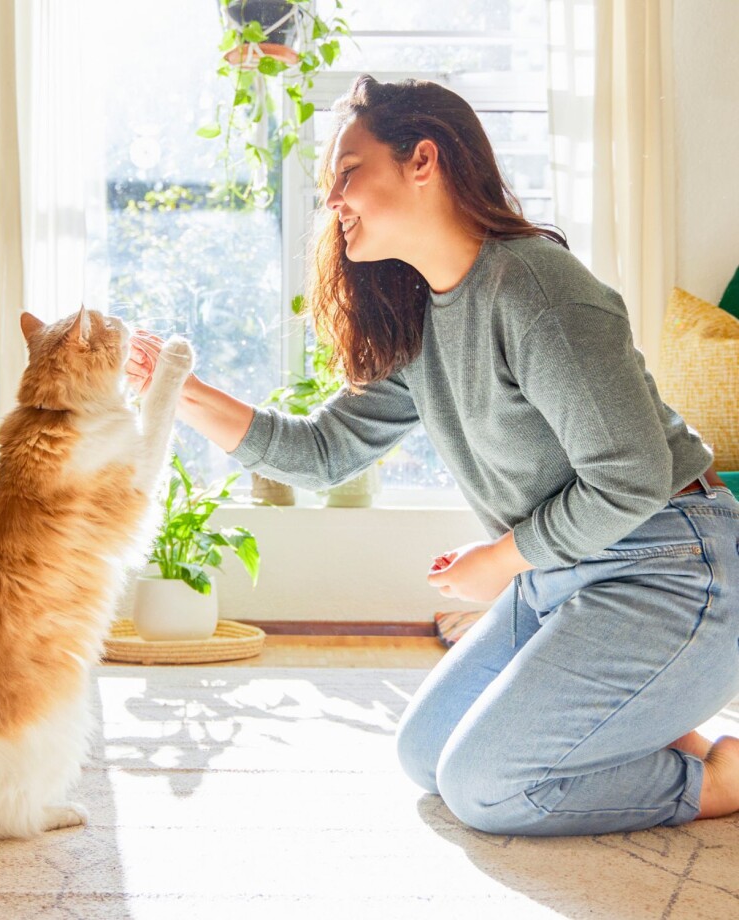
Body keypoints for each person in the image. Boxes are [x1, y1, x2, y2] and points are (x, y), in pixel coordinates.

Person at [126, 74, 739, 836]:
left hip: (672, 568)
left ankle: (718, 777)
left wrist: (502, 559)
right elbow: (321, 454)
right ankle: (646, 715)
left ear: (423, 160)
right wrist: (177, 388)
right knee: (426, 755)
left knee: (488, 788)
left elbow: (635, 477)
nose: (331, 201)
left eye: (347, 174)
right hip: (562, 578)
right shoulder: (420, 320)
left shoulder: (537, 289)